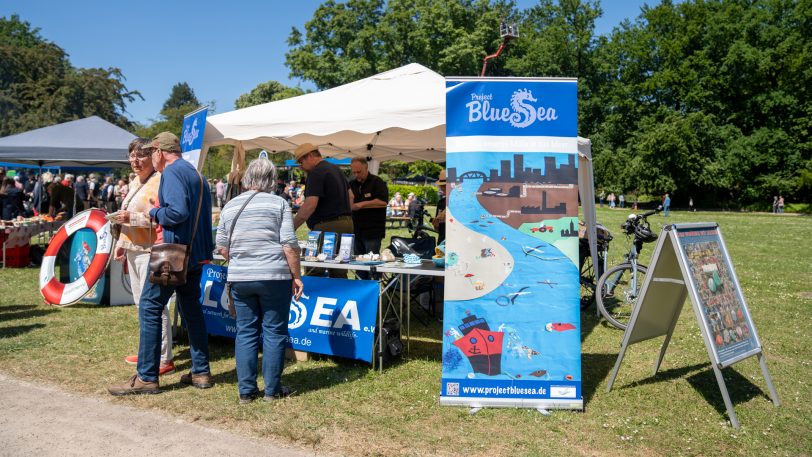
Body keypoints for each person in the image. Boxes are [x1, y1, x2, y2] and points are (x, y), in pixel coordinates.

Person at [108, 132, 214, 396]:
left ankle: (147, 377)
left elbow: (177, 212)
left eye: (151, 153)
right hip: (195, 253)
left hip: (173, 251)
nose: (150, 158)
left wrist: (153, 212)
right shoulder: (196, 174)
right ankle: (201, 372)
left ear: (159, 152)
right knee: (191, 311)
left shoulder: (173, 173)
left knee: (149, 306)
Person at [216, 158, 303, 404]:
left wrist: (243, 260)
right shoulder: (279, 204)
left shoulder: (230, 205)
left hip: (240, 277)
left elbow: (221, 246)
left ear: (247, 179)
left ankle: (246, 391)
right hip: (273, 276)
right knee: (274, 332)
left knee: (245, 332)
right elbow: (289, 243)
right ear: (271, 180)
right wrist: (296, 276)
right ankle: (271, 391)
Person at [110, 138, 174, 376]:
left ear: (153, 156)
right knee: (141, 303)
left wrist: (132, 220)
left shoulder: (161, 181)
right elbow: (126, 214)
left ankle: (163, 356)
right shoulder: (135, 181)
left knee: (156, 304)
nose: (134, 161)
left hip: (151, 249)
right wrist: (121, 241)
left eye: (140, 156)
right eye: (131, 156)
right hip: (133, 248)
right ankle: (149, 350)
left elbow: (164, 216)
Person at [292, 143, 353, 279]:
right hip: (347, 224)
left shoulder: (316, 172)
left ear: (309, 156)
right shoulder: (336, 169)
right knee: (339, 269)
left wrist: (291, 227)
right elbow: (351, 196)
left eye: (301, 162)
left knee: (315, 267)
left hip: (326, 226)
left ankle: (311, 299)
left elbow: (310, 205)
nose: (300, 167)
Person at [348, 157, 388, 278]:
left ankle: (375, 291)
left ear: (366, 167)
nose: (356, 174)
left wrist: (361, 204)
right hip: (356, 230)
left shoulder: (377, 182)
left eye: (359, 172)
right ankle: (360, 291)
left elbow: (383, 202)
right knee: (359, 263)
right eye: (354, 172)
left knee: (373, 264)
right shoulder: (351, 184)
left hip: (372, 231)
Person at [433, 170, 448, 244]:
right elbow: (436, 227)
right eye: (441, 185)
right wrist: (436, 222)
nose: (442, 188)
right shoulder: (441, 202)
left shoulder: (459, 202)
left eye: (444, 185)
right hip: (442, 239)